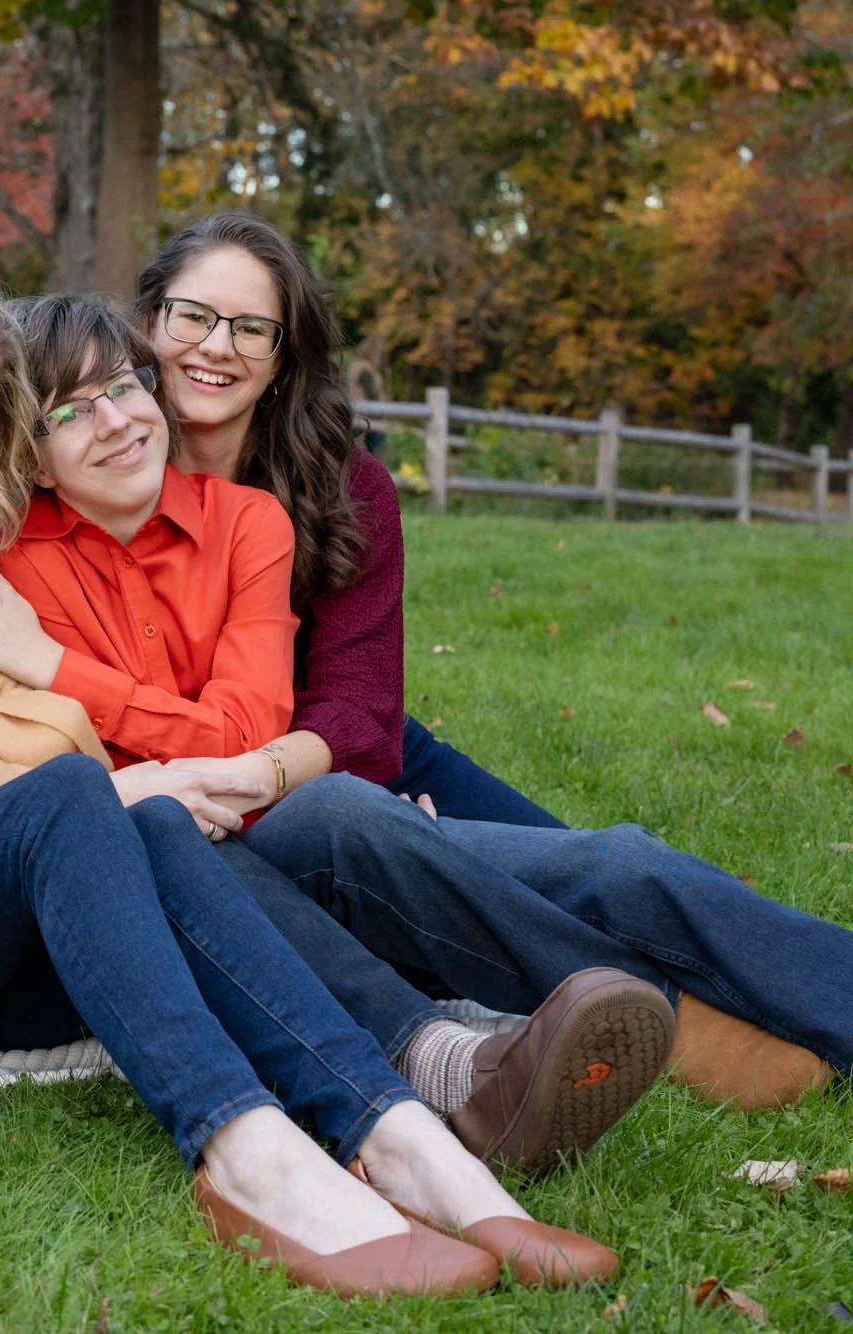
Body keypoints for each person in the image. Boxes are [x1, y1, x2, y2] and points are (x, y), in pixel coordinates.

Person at [0, 275, 614, 1295]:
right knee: (77, 801)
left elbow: (57, 730)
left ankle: (400, 1133)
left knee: (157, 830)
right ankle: (244, 1150)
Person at [126, 214, 847, 1110]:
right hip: (269, 793)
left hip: (355, 748)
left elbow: (359, 707)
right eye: (193, 317)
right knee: (453, 880)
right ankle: (685, 1029)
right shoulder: (102, 476)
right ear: (150, 321)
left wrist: (368, 799)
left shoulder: (346, 489)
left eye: (251, 328)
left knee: (616, 868)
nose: (216, 347)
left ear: (285, 354)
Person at [0, 294, 673, 1174]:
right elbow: (94, 772)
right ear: (32, 456)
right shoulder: (11, 569)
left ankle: (635, 995)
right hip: (177, 857)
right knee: (177, 837)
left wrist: (63, 672)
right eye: (69, 413)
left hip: (287, 812)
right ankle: (458, 1065)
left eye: (122, 387)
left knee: (521, 845)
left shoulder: (249, 521)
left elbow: (250, 729)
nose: (113, 422)